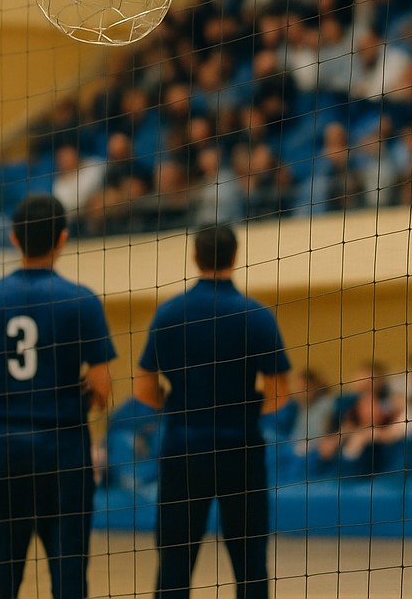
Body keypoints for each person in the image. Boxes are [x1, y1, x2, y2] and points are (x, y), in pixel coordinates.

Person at [0, 195, 116, 599]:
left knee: (2, 567)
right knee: (68, 568)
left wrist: (10, 395)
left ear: (13, 238)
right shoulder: (81, 300)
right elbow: (102, 387)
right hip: (63, 448)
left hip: (4, 447)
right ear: (62, 238)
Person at [133, 224, 291, 599]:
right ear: (235, 257)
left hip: (183, 450)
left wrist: (178, 405)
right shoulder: (257, 315)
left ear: (195, 257)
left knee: (174, 563)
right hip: (241, 451)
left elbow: (143, 388)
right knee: (250, 564)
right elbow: (278, 394)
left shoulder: (169, 313)